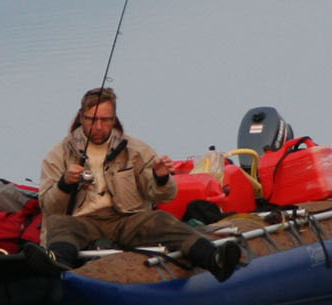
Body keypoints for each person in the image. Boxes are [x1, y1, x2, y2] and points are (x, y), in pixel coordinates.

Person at [38, 87, 241, 281]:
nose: (98, 126)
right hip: (82, 222)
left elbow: (163, 196)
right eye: (92, 119)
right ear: (81, 117)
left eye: (105, 120)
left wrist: (161, 177)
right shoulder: (59, 154)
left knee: (161, 219)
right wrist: (64, 184)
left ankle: (214, 259)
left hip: (126, 220)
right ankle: (57, 267)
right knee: (59, 224)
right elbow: (48, 206)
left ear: (114, 119)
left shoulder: (136, 150)